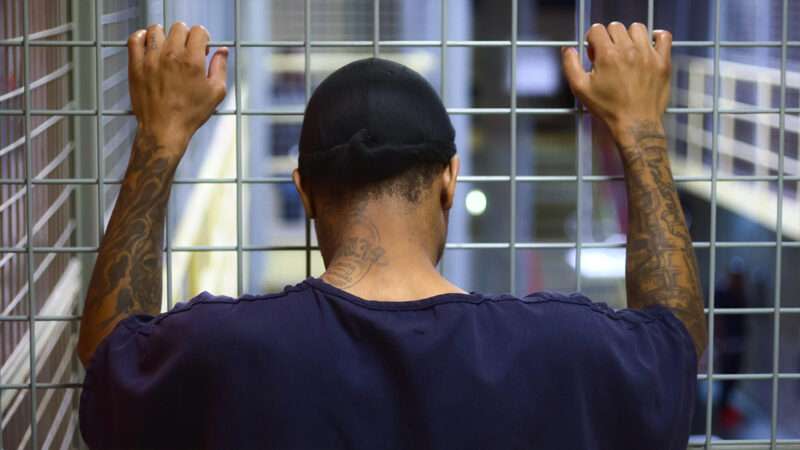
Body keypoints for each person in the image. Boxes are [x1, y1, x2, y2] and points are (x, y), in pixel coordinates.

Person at [76, 20, 707, 450]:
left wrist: (161, 136)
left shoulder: (224, 351)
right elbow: (678, 341)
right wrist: (639, 128)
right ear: (448, 181)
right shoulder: (562, 350)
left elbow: (107, 354)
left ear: (305, 191)